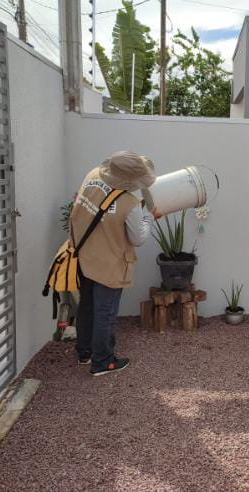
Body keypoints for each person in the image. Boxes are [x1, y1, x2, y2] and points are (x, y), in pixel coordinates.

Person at [70, 151, 161, 375]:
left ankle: (85, 353)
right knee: (105, 312)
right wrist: (150, 216)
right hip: (110, 262)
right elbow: (137, 238)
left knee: (87, 305)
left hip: (85, 253)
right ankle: (103, 362)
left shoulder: (93, 176)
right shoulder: (129, 203)